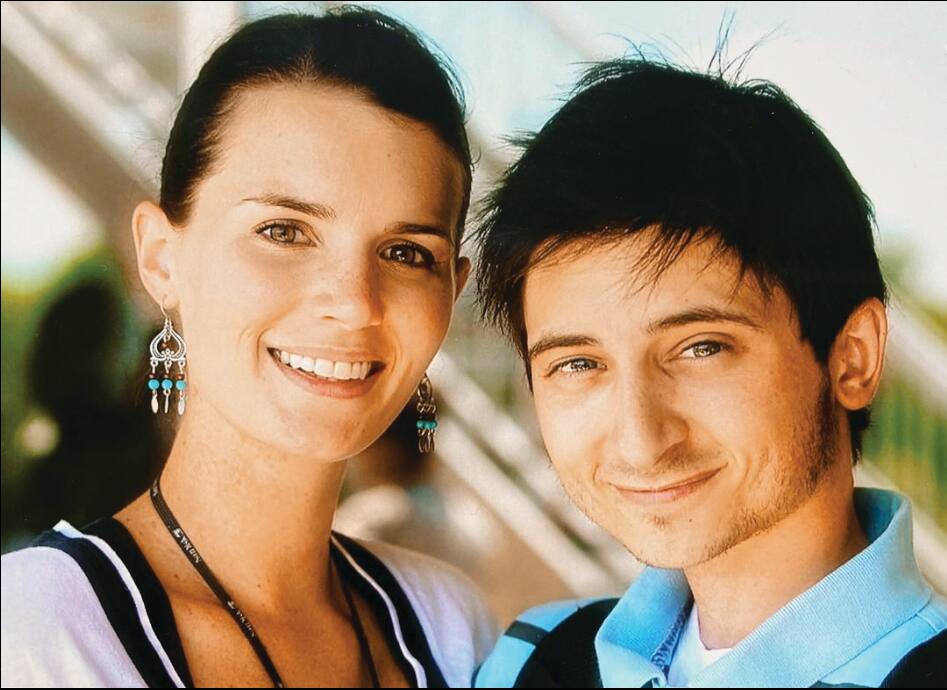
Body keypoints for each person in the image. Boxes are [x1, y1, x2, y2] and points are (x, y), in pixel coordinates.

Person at [1, 8, 496, 688]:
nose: (354, 301)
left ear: (452, 290)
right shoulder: (33, 631)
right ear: (161, 257)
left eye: (407, 252)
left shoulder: (451, 627)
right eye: (284, 231)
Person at [472, 57, 946, 687]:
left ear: (851, 357)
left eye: (700, 348)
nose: (641, 441)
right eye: (579, 363)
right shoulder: (529, 661)